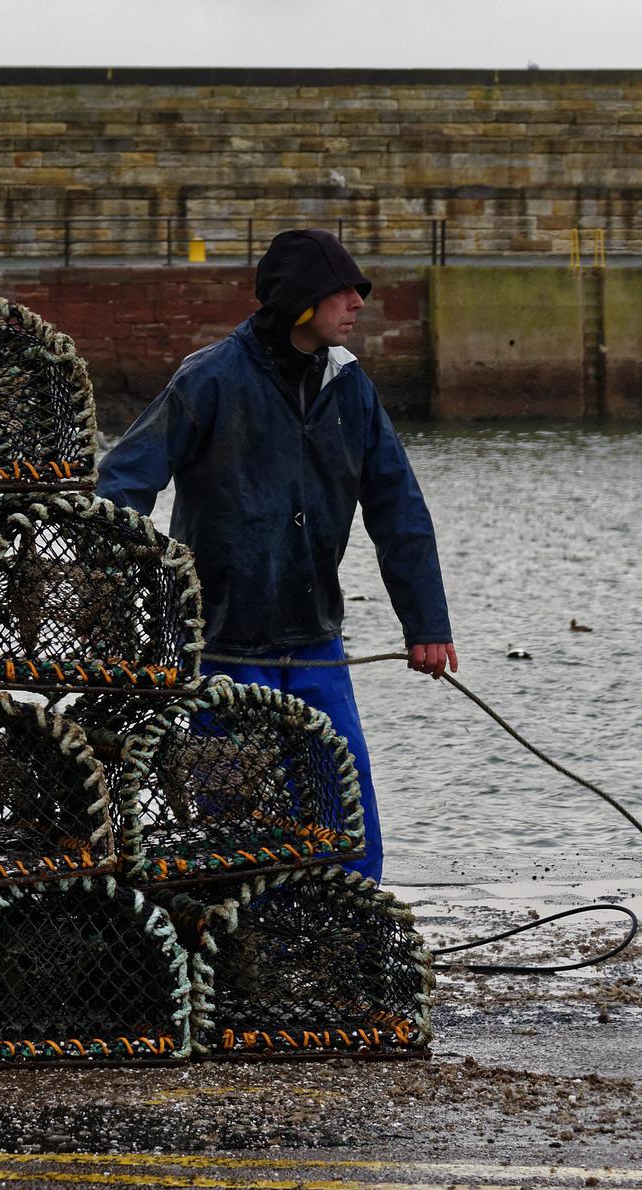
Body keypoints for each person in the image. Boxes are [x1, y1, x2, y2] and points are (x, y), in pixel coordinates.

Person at [95, 228, 457, 885]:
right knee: (237, 818)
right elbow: (123, 482)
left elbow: (398, 509)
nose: (358, 302)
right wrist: (109, 588)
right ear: (299, 302)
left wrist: (427, 626)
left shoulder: (352, 390)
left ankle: (350, 922)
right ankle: (249, 941)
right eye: (343, 291)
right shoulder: (209, 378)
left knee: (343, 805)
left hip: (315, 640)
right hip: (221, 646)